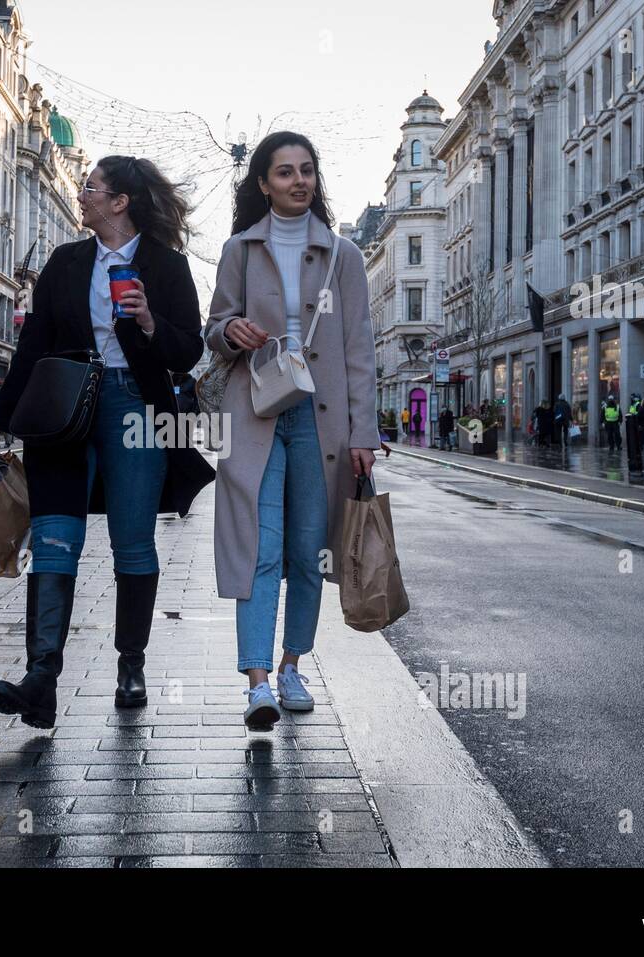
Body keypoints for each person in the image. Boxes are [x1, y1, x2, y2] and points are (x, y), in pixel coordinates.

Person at [0, 154, 214, 730]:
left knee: (133, 541)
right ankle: (41, 680)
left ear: (120, 201)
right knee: (55, 540)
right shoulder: (66, 261)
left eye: (90, 188)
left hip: (135, 405)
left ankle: (130, 666)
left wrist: (152, 323)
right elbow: (31, 347)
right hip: (63, 408)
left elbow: (189, 351)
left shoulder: (166, 265)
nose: (81, 196)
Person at [203, 131, 379, 731]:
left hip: (322, 419)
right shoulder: (239, 250)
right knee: (259, 544)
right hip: (255, 409)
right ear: (263, 184)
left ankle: (292, 666)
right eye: (284, 172)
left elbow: (359, 348)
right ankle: (256, 682)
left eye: (307, 170)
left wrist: (364, 434)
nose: (298, 180)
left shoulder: (343, 255)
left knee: (309, 550)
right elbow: (215, 326)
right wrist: (233, 332)